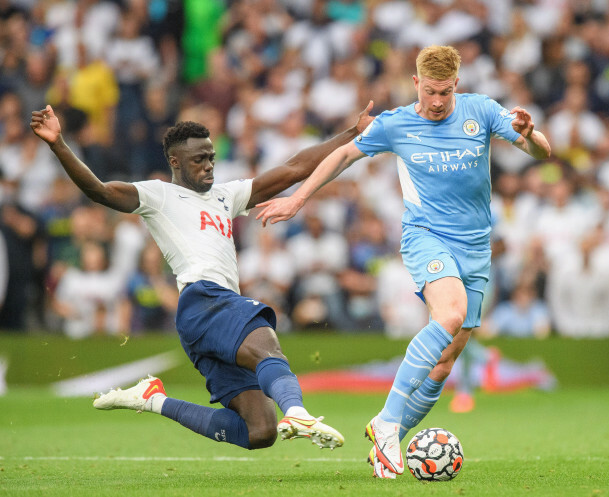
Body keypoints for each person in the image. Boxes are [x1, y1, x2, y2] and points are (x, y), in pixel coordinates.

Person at [257, 45, 551, 477]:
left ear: (457, 86)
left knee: (447, 359)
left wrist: (531, 133)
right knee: (449, 315)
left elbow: (540, 152)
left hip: (476, 247)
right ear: (416, 83)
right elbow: (342, 155)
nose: (436, 102)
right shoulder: (397, 124)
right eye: (430, 92)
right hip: (426, 237)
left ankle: (384, 439)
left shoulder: (481, 111)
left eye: (445, 93)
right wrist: (299, 198)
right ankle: (390, 424)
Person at [30, 101, 374, 451]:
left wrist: (352, 133)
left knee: (260, 431)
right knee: (266, 343)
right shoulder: (159, 195)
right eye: (199, 159)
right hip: (203, 299)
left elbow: (294, 168)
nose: (209, 165)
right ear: (175, 162)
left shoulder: (227, 195)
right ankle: (297, 411)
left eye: (210, 156)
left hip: (211, 314)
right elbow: (99, 190)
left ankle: (154, 400)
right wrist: (58, 143)